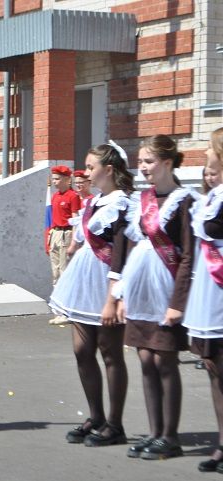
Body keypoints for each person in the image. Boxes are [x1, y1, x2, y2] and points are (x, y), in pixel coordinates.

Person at [49, 143, 136, 447]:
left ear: (109, 169)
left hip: (107, 281)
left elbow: (123, 251)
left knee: (110, 352)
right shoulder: (94, 201)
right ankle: (95, 416)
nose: (85, 173)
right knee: (81, 351)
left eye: (90, 167)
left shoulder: (123, 204)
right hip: (84, 281)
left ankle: (115, 424)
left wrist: (116, 295)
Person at [118, 134, 198, 460]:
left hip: (167, 291)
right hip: (141, 291)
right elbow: (135, 246)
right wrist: (121, 292)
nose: (143, 168)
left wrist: (178, 303)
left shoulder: (184, 201)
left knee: (165, 361)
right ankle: (154, 433)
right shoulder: (143, 200)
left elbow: (189, 257)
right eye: (140, 162)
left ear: (167, 162)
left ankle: (170, 436)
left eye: (149, 162)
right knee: (145, 359)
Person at [182, 128, 223, 472]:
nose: (205, 153)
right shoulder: (210, 197)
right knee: (214, 369)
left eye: (210, 149)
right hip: (211, 290)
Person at [48, 165, 82, 325]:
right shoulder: (55, 196)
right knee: (55, 272)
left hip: (66, 234)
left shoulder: (73, 196)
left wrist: (74, 242)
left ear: (68, 180)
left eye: (58, 179)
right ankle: (58, 308)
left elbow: (76, 220)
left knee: (64, 271)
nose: (55, 182)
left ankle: (66, 310)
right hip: (55, 233)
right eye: (54, 178)